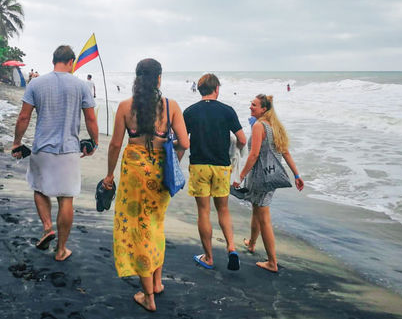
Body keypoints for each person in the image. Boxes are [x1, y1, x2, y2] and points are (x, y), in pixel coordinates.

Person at [102, 58, 189, 312]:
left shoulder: (125, 107)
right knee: (155, 225)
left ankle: (148, 296)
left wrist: (109, 175)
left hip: (134, 173)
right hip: (160, 174)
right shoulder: (171, 106)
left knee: (138, 229)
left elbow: (116, 144)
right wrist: (171, 163)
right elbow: (184, 142)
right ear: (159, 79)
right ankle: (158, 283)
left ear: (137, 79)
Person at [11, 45, 99, 262]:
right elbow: (90, 119)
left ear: (53, 61)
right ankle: (61, 250)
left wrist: (17, 142)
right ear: (71, 62)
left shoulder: (36, 83)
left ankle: (48, 227)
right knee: (66, 198)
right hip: (69, 150)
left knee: (39, 188)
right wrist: (94, 142)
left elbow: (24, 117)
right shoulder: (80, 86)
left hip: (42, 147)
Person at [183, 74, 246, 271]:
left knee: (204, 211)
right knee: (223, 209)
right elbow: (242, 139)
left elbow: (183, 142)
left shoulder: (190, 112)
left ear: (200, 90)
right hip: (221, 166)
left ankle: (209, 257)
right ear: (216, 89)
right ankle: (232, 248)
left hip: (199, 165)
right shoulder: (227, 111)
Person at [235, 94, 304, 272]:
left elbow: (254, 154)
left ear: (264, 109)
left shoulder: (259, 126)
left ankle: (272, 262)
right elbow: (285, 152)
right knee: (257, 210)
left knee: (263, 217)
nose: (251, 107)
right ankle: (251, 243)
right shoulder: (275, 126)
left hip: (260, 177)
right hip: (272, 176)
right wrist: (296, 175)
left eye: (254, 105)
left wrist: (241, 176)